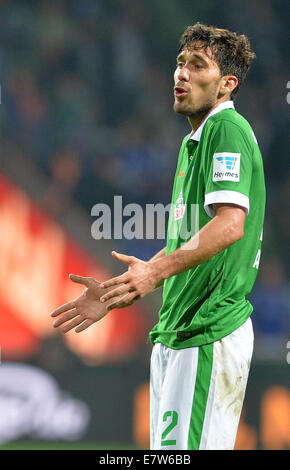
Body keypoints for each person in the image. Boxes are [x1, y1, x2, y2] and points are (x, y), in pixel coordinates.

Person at [51, 23, 266, 450]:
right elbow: (191, 240)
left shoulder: (227, 130)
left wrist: (154, 274)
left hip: (207, 330)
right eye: (180, 63)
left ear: (227, 84)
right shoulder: (194, 143)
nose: (181, 74)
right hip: (179, 331)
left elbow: (229, 225)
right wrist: (122, 290)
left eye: (197, 65)